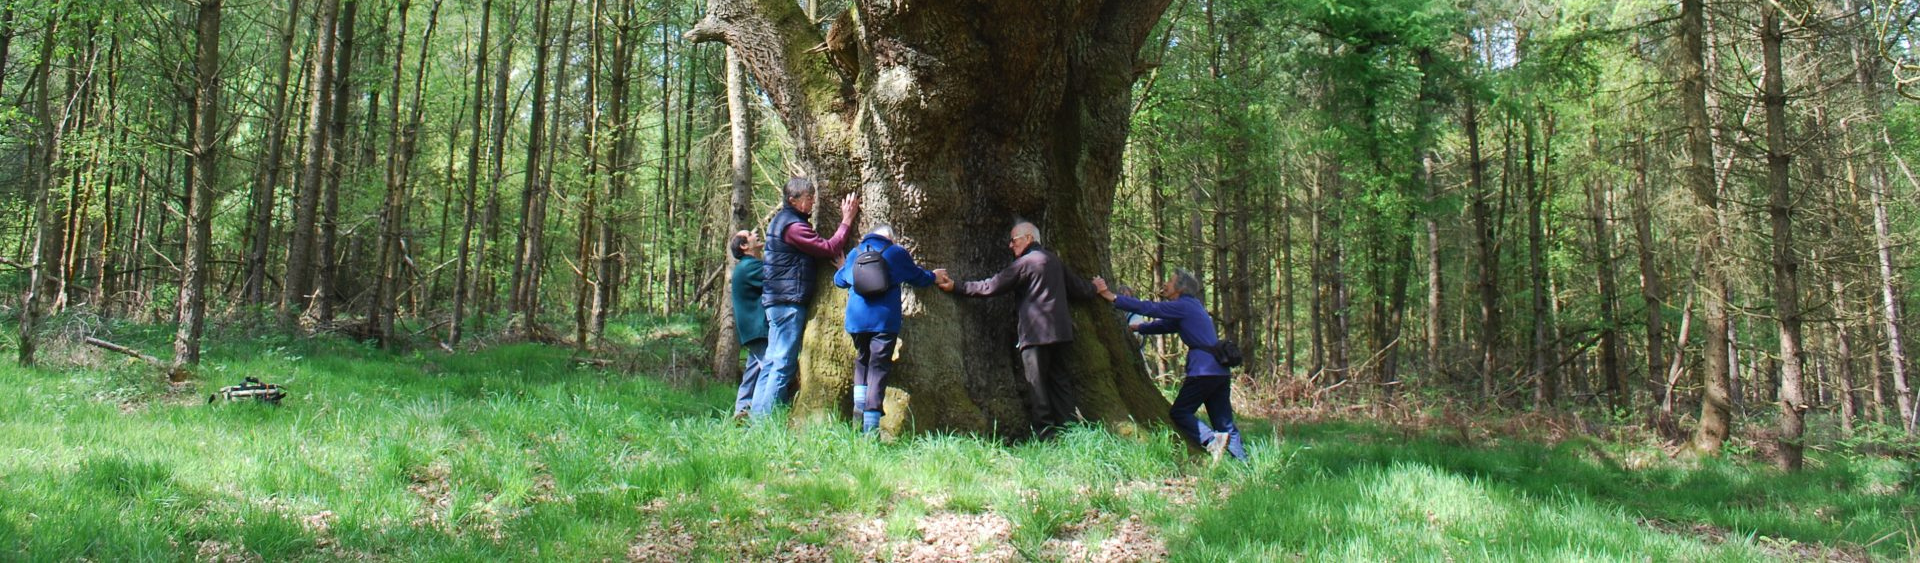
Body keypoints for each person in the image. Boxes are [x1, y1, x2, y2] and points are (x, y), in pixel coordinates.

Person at [936, 220, 1094, 439]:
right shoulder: (1054, 260)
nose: (1011, 246)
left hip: (1035, 335)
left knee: (1037, 386)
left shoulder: (1026, 263)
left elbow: (991, 286)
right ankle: (1070, 431)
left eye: (1014, 240)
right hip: (1061, 334)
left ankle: (1046, 435)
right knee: (1060, 383)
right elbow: (1078, 288)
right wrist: (1096, 287)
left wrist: (958, 286)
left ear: (1028, 238)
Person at [1093, 269, 1246, 461]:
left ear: (1180, 288)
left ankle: (1211, 440)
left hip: (1203, 371)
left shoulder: (1182, 305)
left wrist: (1111, 296)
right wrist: (1139, 327)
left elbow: (1150, 308)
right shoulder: (1193, 306)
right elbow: (1166, 326)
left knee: (1180, 412)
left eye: (1170, 281)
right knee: (1224, 422)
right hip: (1219, 372)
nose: (1165, 284)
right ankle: (1244, 464)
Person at [752, 177, 861, 419]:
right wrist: (846, 220)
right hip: (787, 302)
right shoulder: (792, 226)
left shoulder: (785, 222)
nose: (812, 202)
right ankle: (763, 423)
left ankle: (756, 419)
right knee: (783, 363)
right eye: (808, 198)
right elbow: (829, 248)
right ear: (793, 200)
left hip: (779, 300)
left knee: (772, 361)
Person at [832, 225, 943, 434]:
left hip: (857, 322)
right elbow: (916, 277)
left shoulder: (855, 253)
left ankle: (858, 406)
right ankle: (871, 426)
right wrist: (933, 276)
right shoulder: (895, 252)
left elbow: (839, 281)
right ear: (890, 237)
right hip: (883, 321)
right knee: (878, 367)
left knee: (863, 359)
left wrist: (843, 268)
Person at [727, 231, 768, 420]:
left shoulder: (746, 266)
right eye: (750, 234)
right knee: (769, 367)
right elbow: (775, 275)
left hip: (752, 329)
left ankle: (741, 409)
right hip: (757, 328)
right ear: (744, 246)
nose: (756, 234)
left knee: (753, 370)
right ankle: (757, 415)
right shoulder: (749, 266)